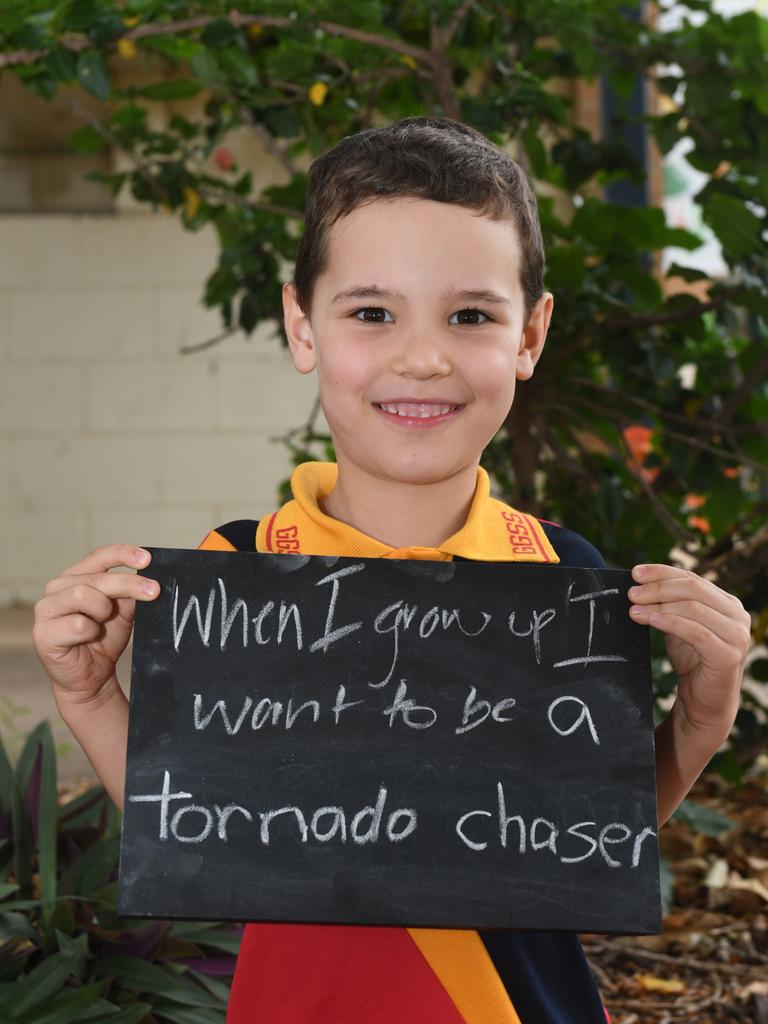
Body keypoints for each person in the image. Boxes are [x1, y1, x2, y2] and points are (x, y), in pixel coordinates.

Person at [33, 116, 750, 1024]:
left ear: (529, 335)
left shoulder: (562, 577)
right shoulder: (235, 574)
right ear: (303, 325)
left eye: (471, 315)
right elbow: (203, 828)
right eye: (373, 312)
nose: (424, 356)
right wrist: (93, 697)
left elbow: (583, 840)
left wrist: (700, 716)